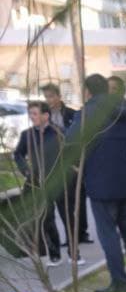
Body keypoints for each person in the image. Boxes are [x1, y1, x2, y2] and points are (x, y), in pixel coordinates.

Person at [66, 73, 126, 292]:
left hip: (100, 184)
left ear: (88, 91)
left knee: (108, 234)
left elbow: (70, 144)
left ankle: (119, 282)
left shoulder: (86, 114)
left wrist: (76, 167)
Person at [13, 101, 83, 267]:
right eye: (30, 114)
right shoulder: (27, 135)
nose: (32, 117)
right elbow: (18, 155)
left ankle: (74, 255)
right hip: (39, 183)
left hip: (61, 182)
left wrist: (74, 168)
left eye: (35, 114)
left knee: (68, 217)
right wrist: (26, 171)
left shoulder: (59, 132)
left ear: (46, 115)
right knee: (46, 219)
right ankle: (54, 255)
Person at [41, 81, 90, 244]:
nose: (49, 100)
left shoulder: (72, 114)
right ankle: (70, 237)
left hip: (74, 162)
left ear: (59, 96)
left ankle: (82, 233)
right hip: (56, 165)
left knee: (79, 198)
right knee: (64, 202)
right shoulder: (43, 117)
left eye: (51, 96)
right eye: (46, 97)